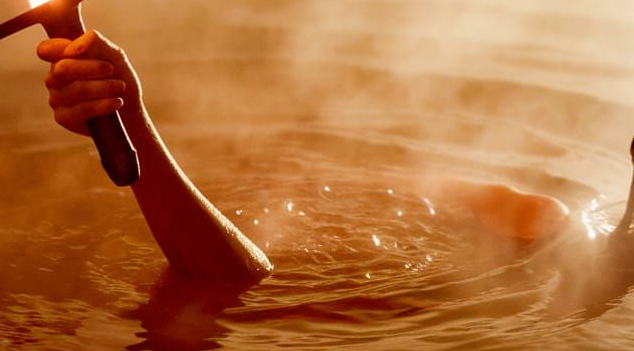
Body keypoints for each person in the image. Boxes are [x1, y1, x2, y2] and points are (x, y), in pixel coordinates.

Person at [37, 30, 573, 284]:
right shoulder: (540, 218)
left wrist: (132, 123)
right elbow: (359, 187)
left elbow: (238, 279)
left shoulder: (556, 235)